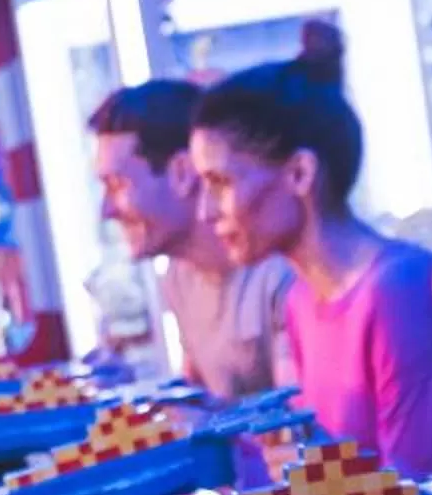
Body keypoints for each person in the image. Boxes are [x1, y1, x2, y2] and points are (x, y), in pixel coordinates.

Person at [189, 30, 432, 477]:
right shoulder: (300, 300)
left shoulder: (397, 292)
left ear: (300, 173)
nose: (206, 212)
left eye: (221, 184)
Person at [89, 79, 292, 398]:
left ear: (183, 173)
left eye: (117, 184)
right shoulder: (179, 278)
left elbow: (305, 432)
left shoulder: (279, 274)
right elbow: (203, 408)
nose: (106, 210)